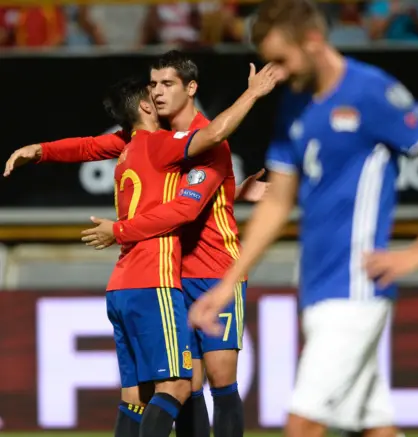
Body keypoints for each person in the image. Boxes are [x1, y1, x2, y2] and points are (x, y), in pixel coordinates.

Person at [188, 1, 418, 437]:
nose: (277, 73)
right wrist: (227, 285)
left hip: (356, 289)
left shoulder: (369, 90)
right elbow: (277, 204)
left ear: (314, 41)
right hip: (318, 289)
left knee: (302, 426)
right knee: (375, 427)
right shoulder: (293, 107)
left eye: (282, 60)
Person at [4, 57, 280, 437]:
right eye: (153, 84)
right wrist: (42, 150)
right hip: (172, 274)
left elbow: (188, 205)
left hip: (216, 271)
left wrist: (233, 188)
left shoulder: (207, 139)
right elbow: (91, 145)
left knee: (218, 378)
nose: (157, 91)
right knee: (187, 384)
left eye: (167, 83)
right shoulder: (157, 138)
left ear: (191, 88)